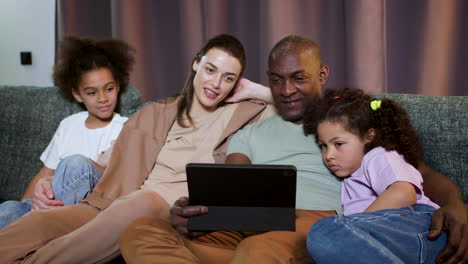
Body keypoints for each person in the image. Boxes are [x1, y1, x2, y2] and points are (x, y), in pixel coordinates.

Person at [120, 35, 468, 264]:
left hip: (315, 224)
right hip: (249, 223)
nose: (286, 90)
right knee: (140, 230)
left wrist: (456, 205)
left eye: (298, 78)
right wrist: (198, 213)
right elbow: (234, 187)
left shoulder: (347, 121)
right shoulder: (248, 132)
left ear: (322, 75)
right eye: (276, 79)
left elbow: (412, 174)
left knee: (257, 250)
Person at [0, 34, 275, 264]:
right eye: (211, 70)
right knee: (39, 224)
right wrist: (48, 180)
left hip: (169, 210)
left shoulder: (246, 113)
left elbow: (302, 107)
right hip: (116, 203)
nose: (216, 84)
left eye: (229, 78)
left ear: (238, 82)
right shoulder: (156, 112)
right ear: (196, 65)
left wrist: (257, 90)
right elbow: (106, 166)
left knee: (140, 202)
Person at [0, 36, 132, 229]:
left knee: (75, 164)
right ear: (78, 95)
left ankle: (44, 231)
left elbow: (120, 180)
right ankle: (28, 227)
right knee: (9, 209)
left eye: (109, 89)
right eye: (92, 92)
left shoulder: (126, 127)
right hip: (50, 203)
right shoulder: (69, 125)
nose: (103, 98)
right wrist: (32, 202)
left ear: (117, 87)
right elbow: (45, 172)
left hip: (84, 209)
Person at [303, 88, 448, 263]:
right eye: (323, 146)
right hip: (401, 246)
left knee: (325, 231)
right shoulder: (351, 176)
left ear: (368, 137)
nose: (328, 155)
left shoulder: (377, 156)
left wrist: (355, 226)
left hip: (424, 227)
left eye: (338, 144)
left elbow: (403, 193)